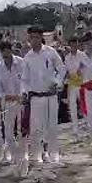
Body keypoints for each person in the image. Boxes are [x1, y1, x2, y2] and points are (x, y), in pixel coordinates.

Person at [22, 26, 66, 164]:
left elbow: (62, 68)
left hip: (51, 95)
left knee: (51, 126)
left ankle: (53, 154)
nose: (33, 40)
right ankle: (37, 155)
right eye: (31, 37)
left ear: (41, 37)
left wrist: (58, 82)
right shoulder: (28, 57)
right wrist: (24, 92)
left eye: (36, 37)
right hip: (35, 96)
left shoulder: (50, 52)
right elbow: (24, 79)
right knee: (36, 128)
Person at [0, 41, 26, 176]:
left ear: (11, 51)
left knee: (21, 131)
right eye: (3, 53)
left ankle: (23, 159)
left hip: (21, 101)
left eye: (7, 51)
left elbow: (26, 81)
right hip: (8, 102)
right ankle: (15, 156)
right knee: (8, 132)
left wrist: (23, 94)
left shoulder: (21, 63)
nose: (5, 55)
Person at [63, 37, 84, 137]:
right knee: (72, 107)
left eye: (75, 44)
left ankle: (87, 124)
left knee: (84, 105)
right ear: (70, 46)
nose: (73, 46)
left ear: (77, 44)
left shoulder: (82, 55)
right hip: (72, 84)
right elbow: (66, 71)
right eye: (71, 45)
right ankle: (75, 128)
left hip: (81, 83)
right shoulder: (67, 58)